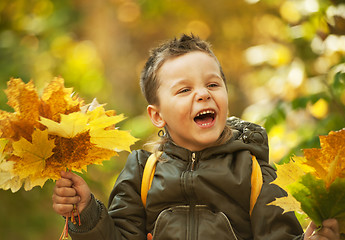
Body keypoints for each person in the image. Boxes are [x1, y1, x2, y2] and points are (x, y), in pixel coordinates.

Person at [52, 34, 340, 240]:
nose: (203, 93)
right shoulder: (143, 171)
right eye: (184, 90)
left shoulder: (253, 173)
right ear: (157, 115)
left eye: (213, 84)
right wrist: (87, 211)